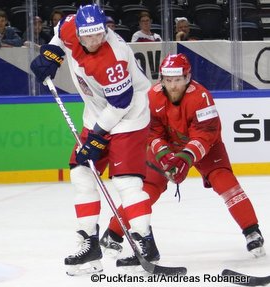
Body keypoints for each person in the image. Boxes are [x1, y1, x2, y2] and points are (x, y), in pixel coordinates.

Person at [30, 4, 158, 275]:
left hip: (129, 118)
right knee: (81, 174)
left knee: (126, 182)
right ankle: (89, 244)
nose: (93, 41)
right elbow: (58, 34)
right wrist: (51, 54)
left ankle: (146, 243)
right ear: (77, 31)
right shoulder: (69, 26)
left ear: (105, 29)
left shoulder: (114, 58)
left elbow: (121, 104)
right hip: (96, 113)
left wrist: (97, 138)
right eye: (86, 36)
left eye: (98, 34)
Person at [100, 54, 266, 262]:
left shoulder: (201, 97)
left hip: (206, 147)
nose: (173, 85)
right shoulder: (152, 97)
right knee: (148, 189)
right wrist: (165, 155)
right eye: (168, 80)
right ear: (161, 78)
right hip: (167, 146)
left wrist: (185, 157)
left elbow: (206, 134)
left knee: (225, 181)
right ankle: (113, 233)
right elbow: (152, 132)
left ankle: (252, 231)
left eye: (177, 80)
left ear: (188, 77)